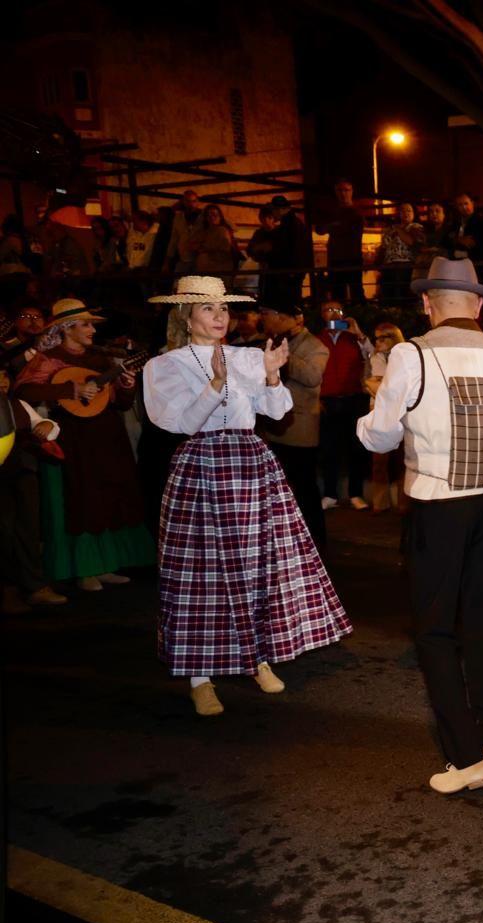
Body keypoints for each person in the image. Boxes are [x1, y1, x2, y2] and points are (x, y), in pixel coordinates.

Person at [143, 276, 350, 716]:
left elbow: (277, 413)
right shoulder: (165, 366)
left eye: (224, 309)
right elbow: (179, 425)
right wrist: (216, 384)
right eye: (208, 309)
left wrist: (273, 375)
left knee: (256, 565)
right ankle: (199, 676)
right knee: (200, 571)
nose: (220, 317)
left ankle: (256, 657)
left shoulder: (248, 355)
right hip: (201, 466)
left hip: (250, 463)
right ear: (185, 317)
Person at [358, 258, 483, 793]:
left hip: (440, 501)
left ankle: (466, 756)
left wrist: (374, 407)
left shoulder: (413, 354)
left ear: (428, 304)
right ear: (478, 305)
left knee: (434, 630)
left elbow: (379, 438)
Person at [12, 299, 155, 590]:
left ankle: (105, 564)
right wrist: (69, 389)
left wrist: (126, 385)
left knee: (108, 496)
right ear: (67, 329)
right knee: (81, 498)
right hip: (74, 437)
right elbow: (23, 390)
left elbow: (120, 403)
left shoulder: (101, 360)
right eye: (85, 324)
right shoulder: (47, 359)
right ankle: (83, 568)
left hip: (106, 437)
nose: (92, 330)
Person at [255, 302, 330, 546]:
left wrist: (285, 357)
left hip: (300, 428)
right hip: (274, 427)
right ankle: (285, 538)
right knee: (277, 488)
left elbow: (312, 377)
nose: (263, 319)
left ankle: (315, 540)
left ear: (291, 318)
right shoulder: (268, 341)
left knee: (305, 487)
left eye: (267, 314)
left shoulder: (314, 345)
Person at [0, 373, 66, 613]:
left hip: (23, 472)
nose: (2, 381)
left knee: (29, 529)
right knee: (3, 532)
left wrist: (46, 425)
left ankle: (35, 587)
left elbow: (43, 425)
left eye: (5, 376)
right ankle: (7, 591)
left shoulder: (18, 404)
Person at [314, 300, 373, 510]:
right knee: (329, 449)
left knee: (356, 448)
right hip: (328, 400)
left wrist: (359, 334)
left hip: (353, 398)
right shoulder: (316, 339)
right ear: (322, 314)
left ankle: (356, 494)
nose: (333, 314)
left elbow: (372, 355)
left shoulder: (354, 338)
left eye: (337, 310)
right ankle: (330, 494)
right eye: (328, 310)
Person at [362, 322, 406, 512]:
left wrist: (380, 385)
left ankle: (405, 503)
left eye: (383, 337)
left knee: (404, 461)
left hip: (402, 413)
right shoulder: (373, 358)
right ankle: (380, 503)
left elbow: (401, 387)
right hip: (377, 413)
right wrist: (380, 385)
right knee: (379, 461)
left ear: (393, 338)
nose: (378, 342)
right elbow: (366, 383)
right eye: (376, 338)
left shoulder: (405, 358)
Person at [378, 203, 424, 302]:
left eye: (409, 210)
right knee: (389, 295)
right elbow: (383, 246)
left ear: (414, 213)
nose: (405, 213)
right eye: (402, 210)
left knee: (403, 295)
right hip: (388, 266)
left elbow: (411, 242)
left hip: (406, 266)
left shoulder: (416, 227)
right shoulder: (390, 229)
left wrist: (398, 229)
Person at [187, 205, 238, 277]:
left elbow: (225, 248)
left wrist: (204, 248)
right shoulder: (204, 231)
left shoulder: (223, 230)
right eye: (208, 215)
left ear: (220, 216)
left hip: (219, 268)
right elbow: (191, 244)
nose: (212, 217)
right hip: (205, 270)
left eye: (214, 214)